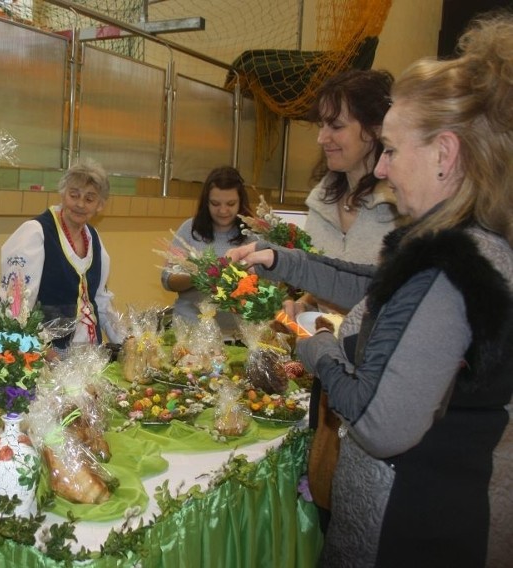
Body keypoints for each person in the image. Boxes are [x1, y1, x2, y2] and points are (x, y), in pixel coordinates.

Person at [229, 13, 513, 566]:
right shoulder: (448, 246)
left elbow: (381, 428)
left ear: (445, 154)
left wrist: (321, 353)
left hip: (406, 528)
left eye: (392, 150)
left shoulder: (459, 265)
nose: (382, 166)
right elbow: (374, 285)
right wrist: (282, 258)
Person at [295, 68, 404, 314]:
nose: (322, 138)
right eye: (322, 125)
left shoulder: (401, 209)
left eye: (336, 126)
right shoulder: (320, 202)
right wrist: (305, 304)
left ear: (375, 129)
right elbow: (327, 280)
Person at [0, 160, 121, 350]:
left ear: (100, 205)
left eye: (89, 199)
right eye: (74, 195)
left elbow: (100, 300)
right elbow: (17, 308)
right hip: (48, 352)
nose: (80, 204)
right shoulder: (35, 233)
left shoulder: (93, 238)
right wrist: (42, 350)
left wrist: (125, 338)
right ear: (63, 194)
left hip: (90, 354)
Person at [161, 165, 255, 338]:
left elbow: (268, 286)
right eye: (215, 203)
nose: (223, 210)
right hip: (191, 332)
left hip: (238, 335)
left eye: (231, 204)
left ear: (241, 203)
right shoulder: (189, 230)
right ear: (206, 202)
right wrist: (199, 276)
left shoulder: (252, 236)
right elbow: (167, 279)